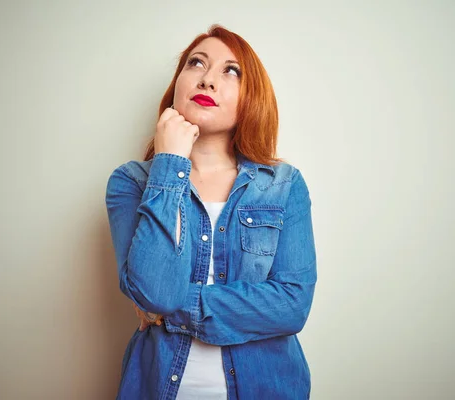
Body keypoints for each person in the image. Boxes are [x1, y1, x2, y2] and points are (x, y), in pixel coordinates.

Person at [105, 24, 317, 400]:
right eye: (196, 64)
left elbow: (291, 306)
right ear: (177, 86)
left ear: (251, 97)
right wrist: (170, 161)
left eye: (230, 71)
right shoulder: (131, 182)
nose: (207, 80)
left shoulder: (284, 185)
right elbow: (154, 292)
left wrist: (176, 307)